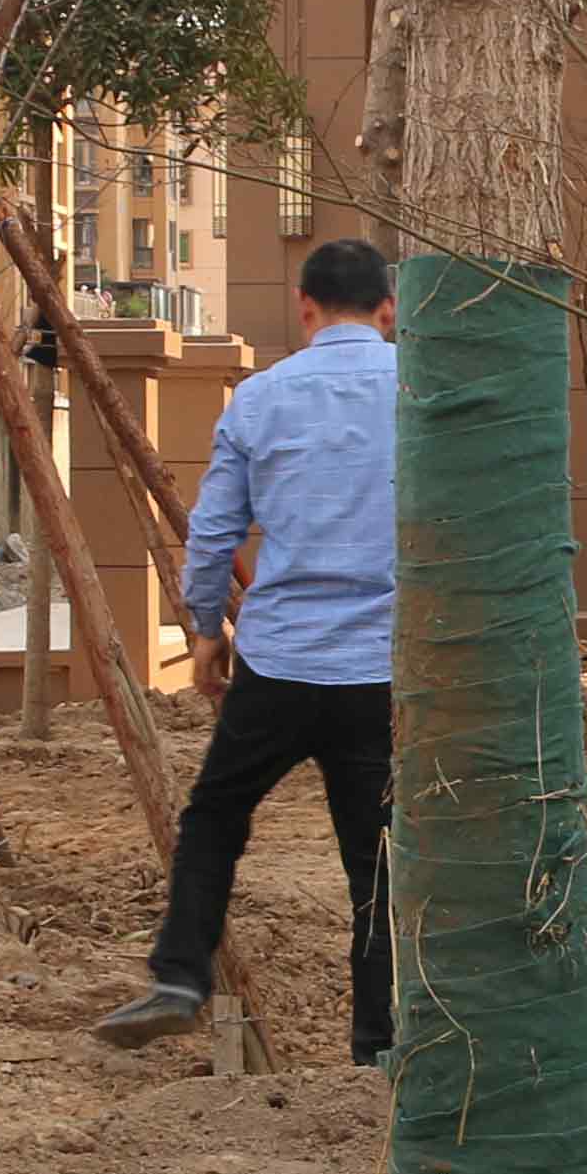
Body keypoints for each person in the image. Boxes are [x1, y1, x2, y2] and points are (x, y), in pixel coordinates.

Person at [96, 238, 400, 1058]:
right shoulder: (420, 396)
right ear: (389, 310)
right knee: (378, 864)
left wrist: (205, 631)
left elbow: (213, 534)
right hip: (382, 668)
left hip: (281, 659)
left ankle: (181, 974)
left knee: (215, 816)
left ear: (304, 307)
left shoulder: (260, 400)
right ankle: (377, 1043)